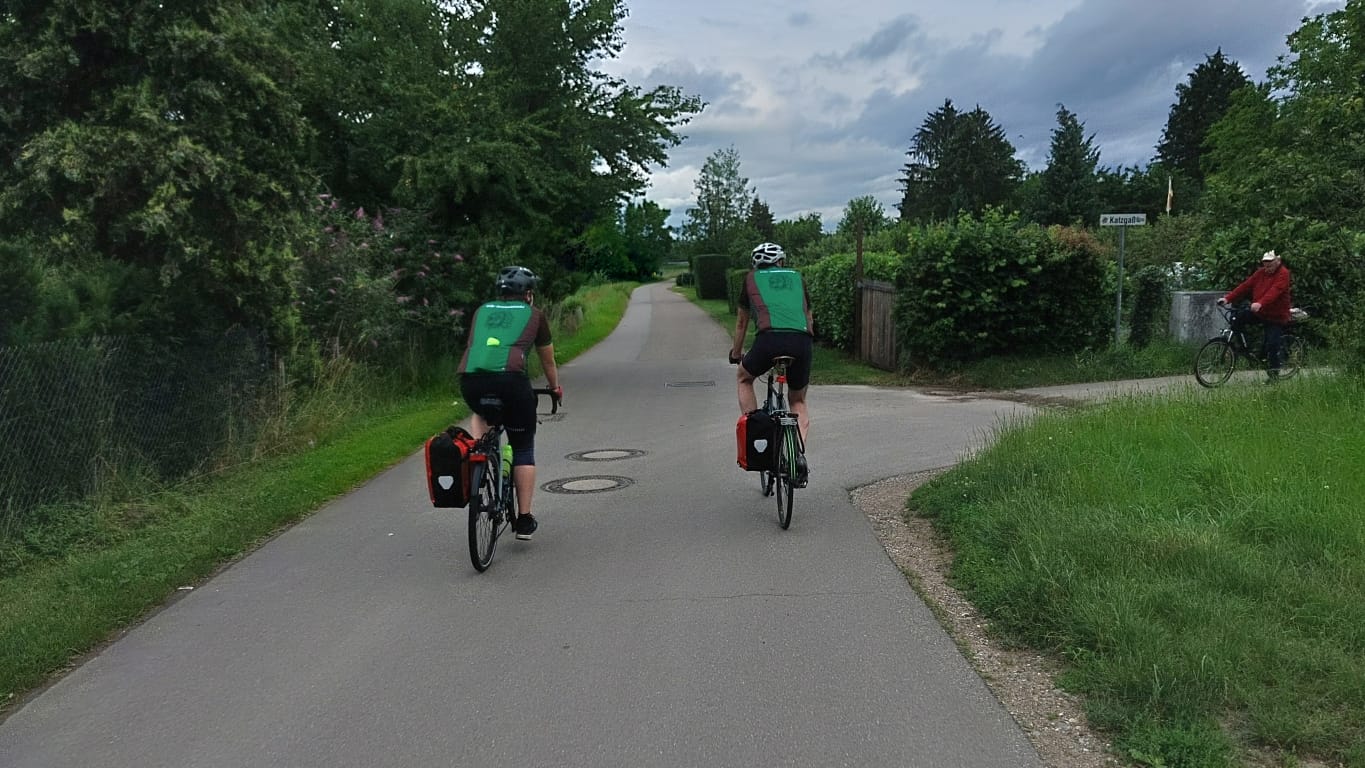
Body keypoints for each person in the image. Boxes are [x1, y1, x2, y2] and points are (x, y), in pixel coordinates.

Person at [457, 266, 563, 540]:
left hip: (470, 380)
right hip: (511, 382)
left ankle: (479, 457)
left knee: (481, 414)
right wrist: (554, 388)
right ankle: (524, 519)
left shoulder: (481, 311)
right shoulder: (535, 315)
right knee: (523, 446)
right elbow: (548, 360)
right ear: (528, 294)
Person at [729, 242, 815, 484]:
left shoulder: (751, 279)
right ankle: (797, 454)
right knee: (797, 400)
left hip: (769, 340)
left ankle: (755, 428)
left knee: (744, 378)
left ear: (757, 264)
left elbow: (741, 323)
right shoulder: (797, 277)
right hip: (801, 341)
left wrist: (736, 353)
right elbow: (808, 317)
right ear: (781, 261)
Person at [1219, 249, 1293, 380]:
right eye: (1265, 264)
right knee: (1237, 318)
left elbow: (1275, 291)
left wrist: (1260, 303)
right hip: (1260, 312)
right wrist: (1228, 298)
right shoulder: (1260, 273)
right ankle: (1244, 347)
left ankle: (1274, 375)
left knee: (1272, 344)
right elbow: (1245, 286)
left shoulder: (1283, 274)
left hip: (1276, 315)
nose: (1267, 267)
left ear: (1277, 261)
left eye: (1270, 264)